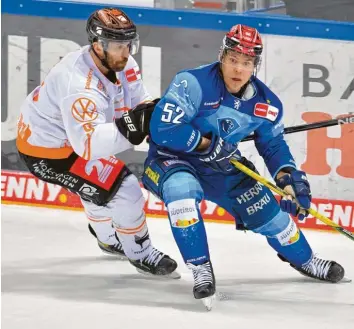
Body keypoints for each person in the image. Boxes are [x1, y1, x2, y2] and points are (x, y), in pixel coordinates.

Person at [141, 24, 345, 304]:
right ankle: (201, 269)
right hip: (171, 159)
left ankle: (307, 260)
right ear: (222, 56)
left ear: (255, 66)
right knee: (181, 193)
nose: (238, 69)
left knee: (274, 218)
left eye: (246, 63)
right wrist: (206, 144)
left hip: (222, 165)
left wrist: (288, 177)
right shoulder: (192, 82)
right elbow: (163, 128)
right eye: (233, 60)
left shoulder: (267, 104)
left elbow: (273, 145)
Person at [16, 7, 178, 278]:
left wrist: (158, 118)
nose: (125, 52)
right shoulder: (79, 85)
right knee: (125, 189)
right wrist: (135, 126)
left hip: (64, 138)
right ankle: (140, 254)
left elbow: (139, 102)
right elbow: (88, 148)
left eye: (128, 44)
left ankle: (107, 237)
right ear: (97, 45)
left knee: (99, 186)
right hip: (46, 152)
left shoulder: (123, 63)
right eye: (117, 45)